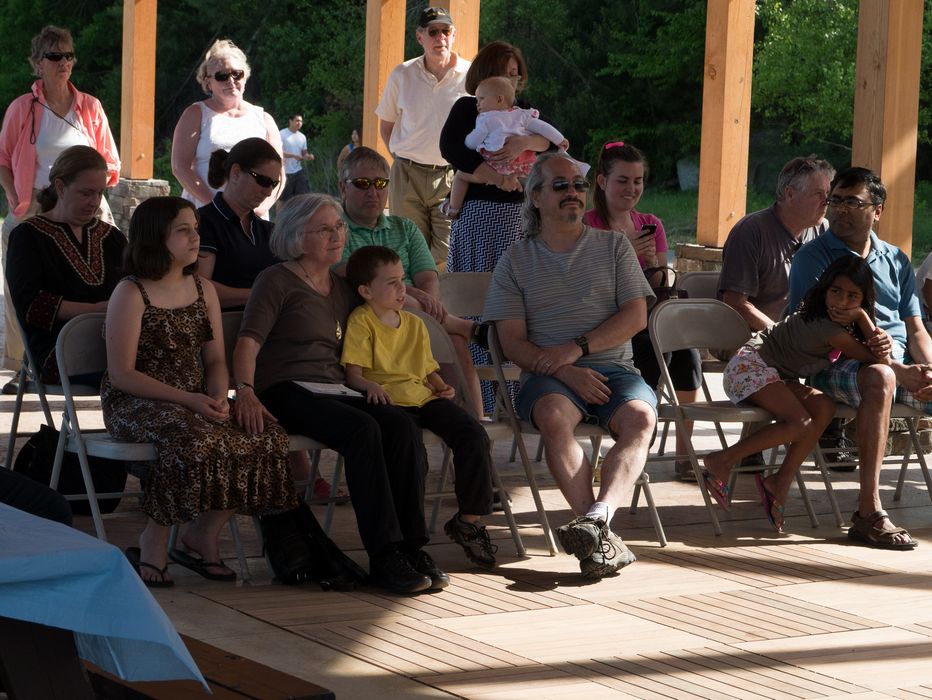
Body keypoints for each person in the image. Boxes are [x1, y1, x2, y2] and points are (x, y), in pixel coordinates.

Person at [231, 194, 442, 595]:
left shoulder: (343, 283)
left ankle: (410, 546)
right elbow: (248, 342)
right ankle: (383, 555)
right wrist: (244, 390)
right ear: (296, 236)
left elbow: (391, 296)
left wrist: (441, 313)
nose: (337, 235)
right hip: (284, 389)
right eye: (325, 229)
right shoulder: (276, 280)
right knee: (362, 429)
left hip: (334, 388)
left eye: (339, 227)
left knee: (399, 423)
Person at [102, 196, 298, 587]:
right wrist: (191, 401)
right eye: (183, 230)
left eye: (195, 228)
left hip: (194, 399)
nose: (195, 238)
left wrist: (215, 397)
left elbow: (215, 361)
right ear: (156, 238)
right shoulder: (131, 291)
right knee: (192, 439)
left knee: (264, 435)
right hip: (137, 401)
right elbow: (122, 374)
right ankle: (153, 541)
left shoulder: (202, 288)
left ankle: (203, 534)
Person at [484, 153, 656, 579]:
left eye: (578, 185)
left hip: (613, 369)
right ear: (536, 197)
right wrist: (562, 369)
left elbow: (635, 317)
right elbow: (511, 343)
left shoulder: (614, 246)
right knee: (553, 416)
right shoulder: (515, 260)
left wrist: (576, 350)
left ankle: (596, 520)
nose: (573, 193)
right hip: (548, 376)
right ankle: (596, 534)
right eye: (560, 186)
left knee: (640, 417)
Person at [788, 166, 929, 550]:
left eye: (853, 202)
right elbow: (815, 332)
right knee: (880, 379)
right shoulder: (813, 259)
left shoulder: (896, 260)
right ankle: (868, 512)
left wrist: (927, 369)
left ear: (877, 210)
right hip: (835, 364)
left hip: (895, 366)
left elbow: (914, 329)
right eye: (835, 200)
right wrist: (897, 370)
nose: (840, 210)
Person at [341, 245, 496, 569]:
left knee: (473, 433)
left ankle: (469, 519)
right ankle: (411, 541)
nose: (402, 289)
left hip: (422, 396)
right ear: (366, 290)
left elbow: (427, 370)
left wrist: (441, 386)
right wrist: (370, 385)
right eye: (392, 283)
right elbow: (353, 375)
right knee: (412, 455)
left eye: (402, 280)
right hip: (387, 401)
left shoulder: (412, 322)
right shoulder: (361, 320)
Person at [705, 257, 885, 531]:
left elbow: (876, 355)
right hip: (748, 367)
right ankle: (723, 459)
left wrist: (863, 318)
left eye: (853, 296)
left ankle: (780, 481)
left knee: (824, 406)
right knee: (799, 423)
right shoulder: (826, 326)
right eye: (836, 291)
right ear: (825, 289)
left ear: (863, 297)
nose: (841, 302)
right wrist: (861, 315)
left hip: (774, 375)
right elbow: (879, 361)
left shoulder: (833, 322)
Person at [440, 40, 554, 410]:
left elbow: (555, 145)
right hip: (479, 215)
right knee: (479, 301)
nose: (513, 77)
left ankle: (520, 398)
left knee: (518, 304)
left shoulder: (523, 113)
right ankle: (481, 401)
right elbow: (452, 149)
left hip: (521, 217)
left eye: (516, 71)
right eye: (505, 70)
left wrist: (529, 139)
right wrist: (490, 175)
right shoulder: (467, 107)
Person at [0, 25, 120, 372]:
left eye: (68, 55)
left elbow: (110, 158)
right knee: (22, 281)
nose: (63, 62)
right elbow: (3, 159)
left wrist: (93, 187)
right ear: (37, 63)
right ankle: (25, 363)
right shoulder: (23, 108)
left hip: (87, 198)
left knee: (112, 271)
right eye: (54, 56)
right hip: (36, 198)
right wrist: (16, 199)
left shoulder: (90, 107)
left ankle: (105, 352)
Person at [336, 146, 487, 417]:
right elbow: (351, 275)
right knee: (416, 310)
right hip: (366, 322)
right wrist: (413, 293)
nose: (373, 191)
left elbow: (428, 276)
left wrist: (430, 303)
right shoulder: (336, 229)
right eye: (362, 183)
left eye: (380, 183)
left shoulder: (403, 228)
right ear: (343, 188)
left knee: (454, 339)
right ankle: (466, 327)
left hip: (414, 320)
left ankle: (472, 420)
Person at [585, 141, 702, 481]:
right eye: (623, 180)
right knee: (645, 352)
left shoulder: (650, 222)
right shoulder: (587, 226)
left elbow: (661, 283)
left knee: (686, 354)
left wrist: (650, 263)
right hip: (606, 322)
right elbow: (587, 289)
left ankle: (684, 455)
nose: (631, 189)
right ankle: (629, 450)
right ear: (603, 182)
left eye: (638, 181)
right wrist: (623, 255)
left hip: (649, 315)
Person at [6, 146, 125, 385]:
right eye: (86, 193)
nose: (94, 202)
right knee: (138, 375)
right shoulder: (28, 236)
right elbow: (31, 305)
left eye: (99, 193)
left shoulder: (112, 237)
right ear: (60, 187)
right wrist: (100, 309)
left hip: (118, 343)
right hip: (59, 352)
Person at [376, 7, 470, 264]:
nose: (440, 37)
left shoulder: (471, 75)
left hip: (452, 177)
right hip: (407, 174)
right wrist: (402, 159)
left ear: (453, 35)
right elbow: (386, 124)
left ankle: (440, 305)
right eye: (433, 31)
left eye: (445, 31)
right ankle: (411, 305)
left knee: (448, 253)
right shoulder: (402, 74)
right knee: (405, 250)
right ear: (420, 38)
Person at [171, 39, 283, 215]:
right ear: (208, 82)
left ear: (245, 76)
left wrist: (260, 209)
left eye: (237, 74)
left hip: (252, 219)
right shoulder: (196, 114)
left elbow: (279, 172)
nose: (231, 80)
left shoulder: (264, 119)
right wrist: (217, 206)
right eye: (221, 76)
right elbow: (180, 166)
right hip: (206, 214)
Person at [443, 76, 566, 219]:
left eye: (481, 99)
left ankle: (453, 209)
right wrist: (560, 139)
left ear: (499, 99)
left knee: (461, 176)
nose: (478, 104)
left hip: (494, 166)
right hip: (522, 167)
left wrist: (468, 143)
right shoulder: (522, 114)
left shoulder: (487, 119)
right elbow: (543, 127)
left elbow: (473, 141)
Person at [197, 137, 283, 308]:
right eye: (263, 181)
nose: (268, 192)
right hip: (223, 325)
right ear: (235, 173)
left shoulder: (268, 230)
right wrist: (260, 294)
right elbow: (199, 287)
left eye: (274, 184)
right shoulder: (202, 222)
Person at [277, 114, 313, 212]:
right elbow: (278, 151)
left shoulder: (302, 137)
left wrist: (308, 156)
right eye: (297, 120)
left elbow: (304, 153)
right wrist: (293, 156)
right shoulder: (281, 134)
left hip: (298, 171)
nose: (299, 123)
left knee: (303, 196)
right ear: (290, 121)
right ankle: (278, 222)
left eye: (301, 121)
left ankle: (299, 219)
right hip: (285, 172)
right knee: (283, 199)